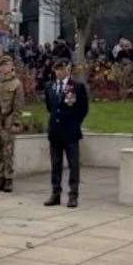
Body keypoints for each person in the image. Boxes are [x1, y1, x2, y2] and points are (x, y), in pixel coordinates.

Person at [43, 59, 88, 208]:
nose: (59, 72)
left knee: (73, 164)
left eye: (61, 69)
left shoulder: (77, 86)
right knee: (56, 164)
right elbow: (50, 107)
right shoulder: (50, 86)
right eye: (56, 69)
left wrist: (74, 123)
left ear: (68, 70)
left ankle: (73, 195)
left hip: (70, 132)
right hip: (55, 132)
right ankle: (55, 194)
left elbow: (83, 109)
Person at [0, 56, 24, 193]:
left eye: (7, 65)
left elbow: (19, 104)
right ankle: (0, 177)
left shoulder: (16, 83)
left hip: (8, 121)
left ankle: (8, 179)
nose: (4, 67)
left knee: (8, 151)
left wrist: (16, 121)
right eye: (2, 65)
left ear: (11, 67)